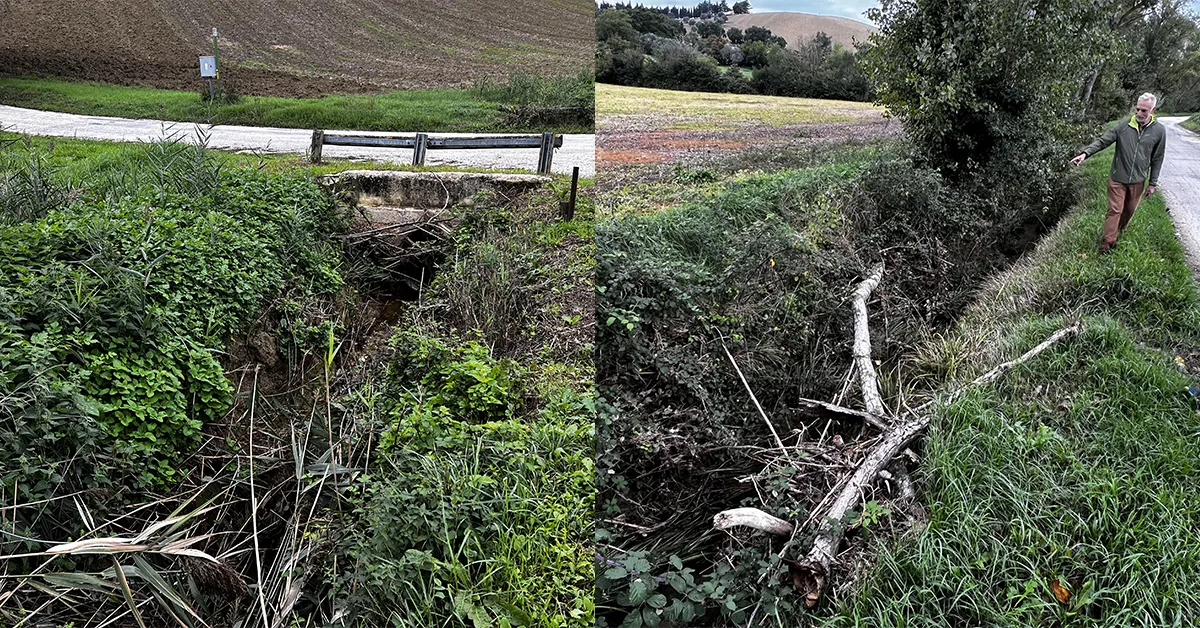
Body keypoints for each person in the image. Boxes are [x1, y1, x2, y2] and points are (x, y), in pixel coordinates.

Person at [1070, 92, 1167, 253]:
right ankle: (1107, 243)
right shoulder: (1123, 126)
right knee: (1115, 209)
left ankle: (1118, 230)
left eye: (1144, 111)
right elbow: (1103, 141)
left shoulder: (1159, 131)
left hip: (1138, 180)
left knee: (1128, 211)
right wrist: (1085, 154)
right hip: (1118, 178)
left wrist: (1153, 183)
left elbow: (1158, 158)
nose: (1139, 114)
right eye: (1137, 109)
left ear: (1153, 110)